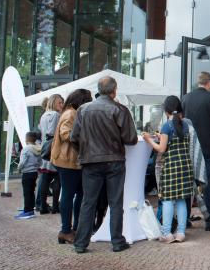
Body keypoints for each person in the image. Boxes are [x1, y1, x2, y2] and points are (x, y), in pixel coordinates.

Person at [70, 76, 138, 254]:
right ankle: (117, 241)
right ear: (114, 90)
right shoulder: (119, 109)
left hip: (90, 161)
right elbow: (130, 139)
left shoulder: (84, 109)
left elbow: (73, 138)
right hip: (114, 160)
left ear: (99, 90)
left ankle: (81, 243)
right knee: (115, 202)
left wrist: (85, 150)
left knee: (88, 202)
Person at [143, 96, 197, 243]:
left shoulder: (167, 125)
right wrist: (163, 136)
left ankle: (167, 233)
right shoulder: (185, 125)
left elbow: (161, 148)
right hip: (185, 167)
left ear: (166, 110)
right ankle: (180, 233)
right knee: (181, 200)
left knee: (167, 200)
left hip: (172, 167)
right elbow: (177, 140)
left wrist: (149, 140)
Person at [181, 72, 210, 231]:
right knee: (207, 183)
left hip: (189, 147)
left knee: (187, 183)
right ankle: (208, 219)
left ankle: (184, 218)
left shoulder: (185, 98)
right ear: (209, 83)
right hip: (207, 146)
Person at [51, 89, 93, 244]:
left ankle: (73, 228)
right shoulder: (71, 114)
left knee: (78, 194)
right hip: (68, 160)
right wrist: (85, 138)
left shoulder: (71, 112)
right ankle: (66, 230)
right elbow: (66, 133)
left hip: (72, 161)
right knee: (69, 195)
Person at [38, 94, 64, 214]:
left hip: (45, 149)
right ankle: (54, 206)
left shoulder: (44, 115)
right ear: (53, 102)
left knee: (45, 178)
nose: (61, 105)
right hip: (53, 149)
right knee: (57, 178)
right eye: (60, 103)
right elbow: (52, 133)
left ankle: (42, 205)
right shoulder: (55, 115)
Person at [15, 132, 42, 220]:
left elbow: (22, 162)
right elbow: (40, 162)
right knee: (31, 191)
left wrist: (19, 168)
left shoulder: (26, 149)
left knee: (27, 193)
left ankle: (27, 211)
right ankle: (31, 209)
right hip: (34, 173)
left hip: (27, 173)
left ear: (26, 139)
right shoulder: (38, 149)